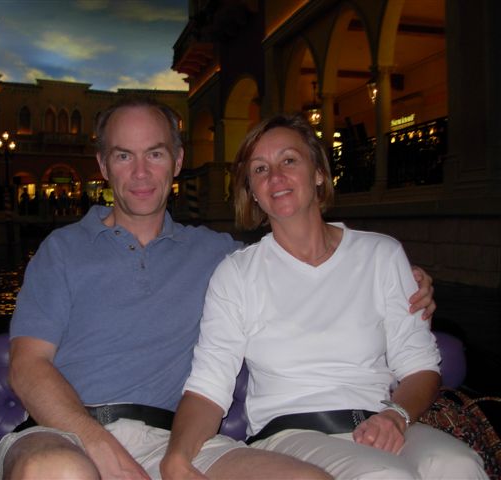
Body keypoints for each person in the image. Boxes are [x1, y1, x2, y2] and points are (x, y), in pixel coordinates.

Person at [0, 99, 435, 480]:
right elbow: (27, 366)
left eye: (156, 153)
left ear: (178, 160)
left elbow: (292, 257)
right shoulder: (62, 249)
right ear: (104, 165)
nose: (142, 172)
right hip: (64, 435)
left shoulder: (217, 255)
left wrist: (400, 275)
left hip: (173, 439)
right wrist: (98, 444)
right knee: (63, 472)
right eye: (124, 156)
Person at [160, 113, 486, 479]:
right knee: (384, 475)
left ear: (318, 172)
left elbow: (421, 366)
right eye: (260, 169)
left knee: (459, 466)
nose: (276, 177)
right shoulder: (237, 274)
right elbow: (208, 386)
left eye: (289, 160)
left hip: (382, 420)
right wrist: (177, 456)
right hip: (289, 435)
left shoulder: (381, 254)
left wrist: (396, 415)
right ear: (251, 191)